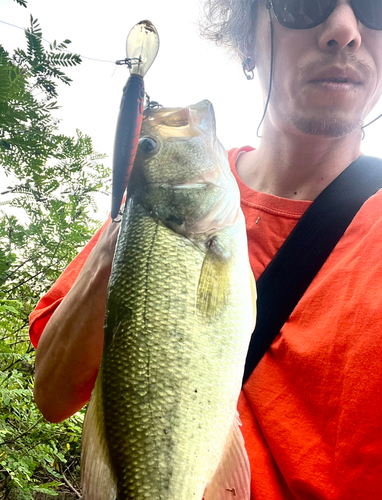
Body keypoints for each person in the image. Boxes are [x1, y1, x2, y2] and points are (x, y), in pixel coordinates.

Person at [30, 0, 382, 498]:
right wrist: (127, 230)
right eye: (304, 4)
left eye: (374, 9)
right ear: (248, 42)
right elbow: (52, 392)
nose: (345, 29)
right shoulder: (141, 219)